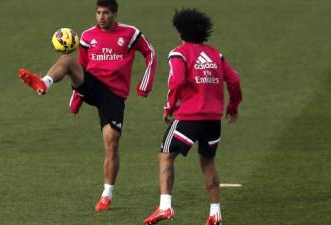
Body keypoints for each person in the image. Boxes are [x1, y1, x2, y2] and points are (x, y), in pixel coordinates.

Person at [18, 0, 156, 212]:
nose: (101, 17)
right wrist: (76, 100)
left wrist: (145, 84)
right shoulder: (87, 36)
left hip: (114, 95)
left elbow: (150, 53)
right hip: (92, 85)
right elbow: (82, 67)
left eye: (106, 13)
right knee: (66, 60)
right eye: (98, 13)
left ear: (114, 14)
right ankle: (43, 83)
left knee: (111, 142)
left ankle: (106, 194)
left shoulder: (131, 34)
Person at [143, 8, 242, 225]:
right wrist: (233, 106)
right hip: (213, 119)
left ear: (180, 32)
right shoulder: (216, 55)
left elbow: (176, 81)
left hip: (190, 116)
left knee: (166, 155)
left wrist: (169, 107)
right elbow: (234, 80)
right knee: (207, 161)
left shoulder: (179, 53)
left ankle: (165, 207)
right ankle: (215, 213)